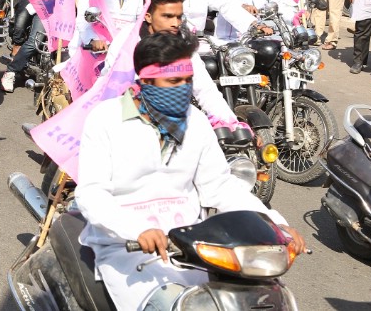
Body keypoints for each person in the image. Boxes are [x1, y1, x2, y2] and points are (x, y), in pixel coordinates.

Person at [75, 31, 303, 311]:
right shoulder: (105, 119)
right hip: (129, 250)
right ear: (144, 81)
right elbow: (91, 194)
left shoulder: (195, 121)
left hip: (195, 246)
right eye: (173, 82)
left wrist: (274, 223)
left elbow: (219, 187)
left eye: (187, 82)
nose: (183, 90)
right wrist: (137, 230)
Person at [138, 0, 239, 126]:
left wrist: (231, 123)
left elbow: (204, 89)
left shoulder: (183, 44)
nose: (175, 23)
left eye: (179, 17)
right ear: (148, 17)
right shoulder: (128, 43)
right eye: (167, 16)